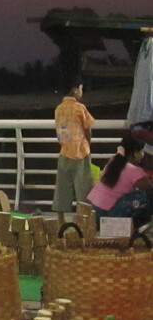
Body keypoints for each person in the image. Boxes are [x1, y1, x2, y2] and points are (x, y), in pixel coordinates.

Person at [53, 82, 96, 225]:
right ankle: (81, 220)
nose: (82, 91)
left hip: (64, 151)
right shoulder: (79, 107)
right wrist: (88, 144)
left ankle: (61, 220)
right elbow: (88, 128)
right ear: (75, 89)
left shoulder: (58, 109)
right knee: (83, 187)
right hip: (80, 151)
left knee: (62, 186)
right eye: (81, 88)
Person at [87, 135, 153, 226]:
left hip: (91, 212)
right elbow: (150, 189)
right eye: (141, 151)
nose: (143, 154)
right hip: (107, 216)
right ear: (135, 153)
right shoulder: (135, 171)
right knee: (146, 197)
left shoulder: (113, 161)